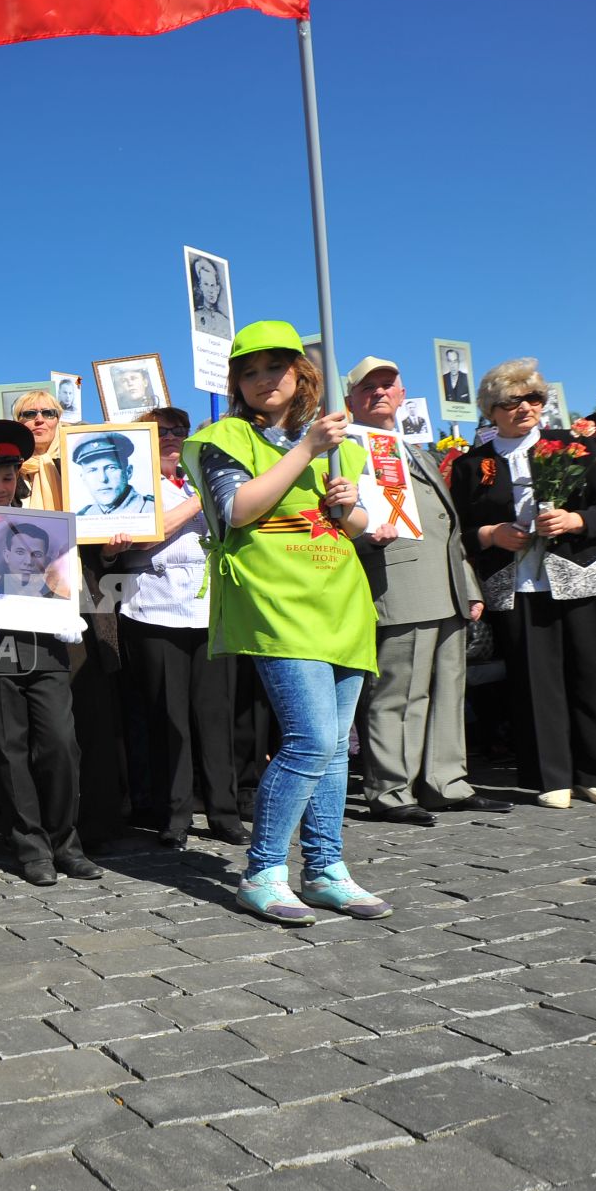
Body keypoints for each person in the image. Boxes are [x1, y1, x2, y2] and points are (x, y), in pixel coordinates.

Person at [182, 321, 390, 926]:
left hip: (341, 599)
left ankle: (326, 870)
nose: (262, 379)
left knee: (337, 751)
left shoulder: (342, 443)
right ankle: (264, 871)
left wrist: (347, 506)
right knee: (312, 739)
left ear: (301, 373)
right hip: (276, 602)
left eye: (275, 367)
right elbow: (235, 509)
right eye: (249, 371)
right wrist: (305, 451)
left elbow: (359, 530)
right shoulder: (224, 438)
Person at [449, 358, 596, 809]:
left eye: (534, 398)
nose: (525, 407)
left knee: (592, 673)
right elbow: (459, 529)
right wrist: (491, 535)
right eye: (512, 401)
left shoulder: (573, 446)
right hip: (516, 583)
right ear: (491, 410)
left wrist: (577, 519)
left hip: (581, 575)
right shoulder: (473, 464)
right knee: (534, 680)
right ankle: (551, 776)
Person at [345, 357, 512, 825]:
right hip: (394, 581)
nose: (380, 393)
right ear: (350, 400)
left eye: (388, 385)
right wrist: (361, 535)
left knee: (447, 691)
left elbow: (450, 527)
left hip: (446, 588)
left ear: (401, 396)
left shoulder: (417, 449)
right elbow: (335, 517)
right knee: (397, 693)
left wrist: (469, 584)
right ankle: (391, 791)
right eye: (368, 388)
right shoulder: (343, 449)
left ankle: (447, 782)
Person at [0, 420, 98, 884]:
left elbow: (63, 584)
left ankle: (66, 842)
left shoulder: (45, 527)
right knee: (10, 751)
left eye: (8, 478)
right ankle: (31, 848)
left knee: (61, 746)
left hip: (46, 648)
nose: (1, 487)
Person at [106, 408, 248, 847]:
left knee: (215, 715)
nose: (171, 437)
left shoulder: (200, 478)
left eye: (179, 431)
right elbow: (147, 534)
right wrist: (202, 498)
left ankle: (224, 811)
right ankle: (176, 814)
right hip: (155, 609)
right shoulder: (136, 485)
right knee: (169, 719)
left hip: (210, 610)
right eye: (161, 431)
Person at [71, 432, 156, 517]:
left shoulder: (154, 511)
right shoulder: (80, 518)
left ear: (128, 472)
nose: (102, 479)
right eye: (92, 470)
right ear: (84, 479)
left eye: (111, 468)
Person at [10, 389, 65, 510]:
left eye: (48, 413)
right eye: (30, 414)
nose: (39, 420)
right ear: (18, 423)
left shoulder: (73, 468)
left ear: (58, 422)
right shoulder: (3, 471)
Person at [191, 256, 233, 340]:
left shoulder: (225, 322)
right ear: (201, 287)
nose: (211, 291)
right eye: (206, 284)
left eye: (212, 285)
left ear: (217, 289)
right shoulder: (195, 317)